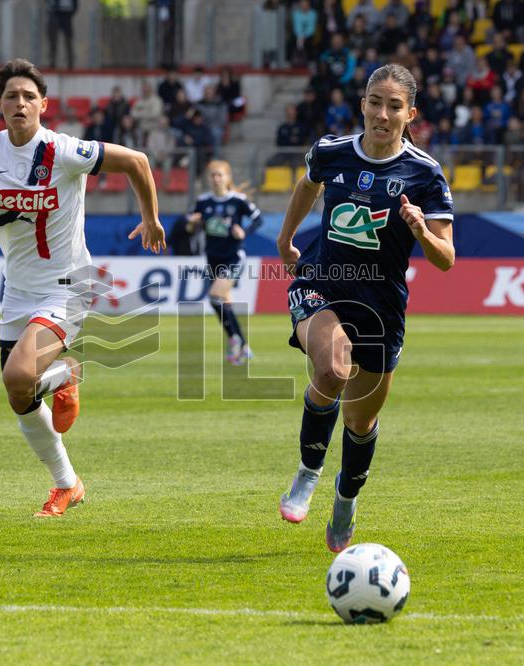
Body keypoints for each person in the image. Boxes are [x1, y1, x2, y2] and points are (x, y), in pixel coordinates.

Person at [0, 59, 165, 518]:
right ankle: (67, 484)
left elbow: (137, 161)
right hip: (18, 292)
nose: (20, 103)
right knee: (19, 396)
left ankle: (67, 374)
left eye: (29, 96)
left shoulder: (64, 150)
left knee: (17, 377)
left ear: (44, 106)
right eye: (11, 95)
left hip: (67, 287)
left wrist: (149, 217)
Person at [276, 64, 455, 553]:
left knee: (360, 422)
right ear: (362, 105)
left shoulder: (424, 174)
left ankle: (345, 499)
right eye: (375, 102)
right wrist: (287, 237)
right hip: (322, 284)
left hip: (381, 305)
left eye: (394, 106)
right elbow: (307, 186)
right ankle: (308, 473)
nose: (382, 113)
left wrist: (421, 231)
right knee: (332, 369)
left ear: (409, 113)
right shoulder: (331, 151)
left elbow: (447, 259)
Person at [185, 160, 262, 365]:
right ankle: (244, 347)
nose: (216, 179)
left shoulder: (238, 200)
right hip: (213, 258)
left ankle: (235, 340)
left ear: (228, 178)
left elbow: (258, 219)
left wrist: (244, 231)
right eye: (212, 175)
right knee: (224, 303)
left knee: (215, 297)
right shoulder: (202, 202)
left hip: (233, 257)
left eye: (220, 175)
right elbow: (189, 228)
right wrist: (192, 224)